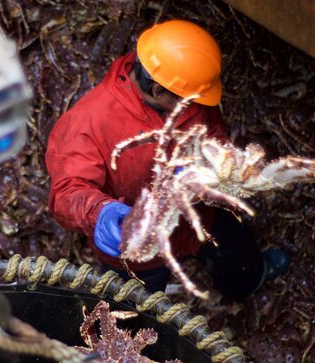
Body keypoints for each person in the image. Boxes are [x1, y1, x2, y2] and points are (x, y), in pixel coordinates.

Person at [45, 19, 289, 297]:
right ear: (158, 91)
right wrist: (98, 212)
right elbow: (68, 190)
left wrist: (210, 163)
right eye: (190, 100)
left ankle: (248, 282)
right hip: (138, 242)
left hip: (200, 216)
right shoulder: (87, 122)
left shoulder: (187, 94)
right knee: (136, 304)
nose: (197, 105)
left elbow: (214, 136)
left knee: (236, 256)